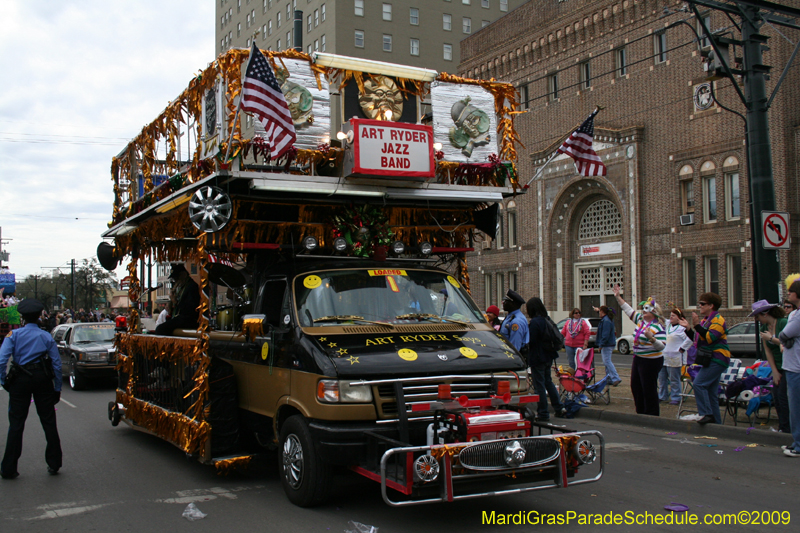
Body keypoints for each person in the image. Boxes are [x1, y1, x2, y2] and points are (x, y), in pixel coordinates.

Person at [0, 298, 63, 479]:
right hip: (42, 379)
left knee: (16, 424)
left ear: (22, 318)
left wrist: (4, 380)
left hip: (20, 379)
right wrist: (57, 388)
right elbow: (57, 365)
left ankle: (9, 467)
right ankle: (54, 463)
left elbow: (2, 360)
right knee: (49, 422)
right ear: (39, 317)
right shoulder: (45, 336)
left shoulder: (14, 336)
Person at [613, 286, 666, 416]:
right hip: (638, 358)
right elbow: (628, 310)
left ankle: (651, 413)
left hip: (651, 361)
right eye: (643, 310)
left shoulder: (657, 327)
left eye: (646, 310)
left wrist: (651, 339)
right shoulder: (641, 322)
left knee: (648, 387)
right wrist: (618, 297)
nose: (643, 312)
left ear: (654, 312)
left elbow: (662, 346)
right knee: (636, 386)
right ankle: (641, 411)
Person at [679, 292, 729, 425]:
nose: (699, 306)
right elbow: (698, 341)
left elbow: (710, 338)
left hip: (718, 359)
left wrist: (696, 326)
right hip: (709, 359)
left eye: (702, 304)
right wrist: (689, 328)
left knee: (699, 384)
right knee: (711, 392)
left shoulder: (718, 320)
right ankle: (716, 424)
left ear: (711, 305)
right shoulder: (705, 321)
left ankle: (706, 414)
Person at [750, 300, 790, 433]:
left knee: (784, 397)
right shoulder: (763, 329)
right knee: (777, 397)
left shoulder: (783, 323)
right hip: (777, 366)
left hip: (790, 365)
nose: (757, 319)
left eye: (757, 316)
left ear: (765, 314)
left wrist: (771, 338)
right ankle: (782, 427)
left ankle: (787, 429)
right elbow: (768, 351)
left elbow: (786, 344)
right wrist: (774, 371)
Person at [526, 297, 566, 421]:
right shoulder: (546, 319)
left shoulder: (535, 322)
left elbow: (531, 340)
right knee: (548, 382)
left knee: (539, 386)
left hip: (538, 357)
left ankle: (543, 412)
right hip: (548, 355)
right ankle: (559, 408)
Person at [778, 275, 800, 457]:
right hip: (793, 366)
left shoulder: (798, 316)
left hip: (796, 368)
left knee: (796, 407)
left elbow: (784, 334)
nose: (788, 295)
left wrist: (784, 337)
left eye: (791, 292)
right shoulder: (795, 314)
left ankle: (798, 444)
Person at [658, 308, 693, 405]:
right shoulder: (668, 325)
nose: (671, 317)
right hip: (664, 356)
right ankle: (662, 396)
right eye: (670, 315)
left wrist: (682, 348)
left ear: (679, 318)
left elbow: (690, 339)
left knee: (674, 379)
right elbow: (660, 317)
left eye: (673, 315)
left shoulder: (682, 328)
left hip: (675, 357)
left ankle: (676, 397)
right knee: (662, 378)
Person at [155, 264, 200, 336]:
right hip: (181, 318)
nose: (176, 281)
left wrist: (175, 302)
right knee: (161, 327)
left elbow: (191, 310)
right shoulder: (181, 288)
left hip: (189, 320)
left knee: (161, 329)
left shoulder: (192, 287)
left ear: (184, 275)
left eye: (177, 278)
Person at [594, 305, 622, 387]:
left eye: (599, 312)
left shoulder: (606, 321)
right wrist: (597, 309)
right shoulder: (607, 319)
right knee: (606, 362)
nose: (599, 313)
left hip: (607, 344)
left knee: (607, 361)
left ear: (602, 312)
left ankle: (615, 377)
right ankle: (609, 378)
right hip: (609, 343)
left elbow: (605, 335)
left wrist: (601, 344)